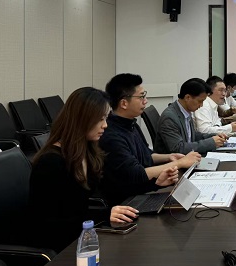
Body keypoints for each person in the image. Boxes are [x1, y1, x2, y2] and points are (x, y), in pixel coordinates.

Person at [28, 87, 147, 252]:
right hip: (61, 248)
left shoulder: (88, 151)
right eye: (100, 119)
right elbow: (50, 224)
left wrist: (155, 183)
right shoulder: (51, 163)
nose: (105, 125)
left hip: (82, 238)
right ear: (82, 119)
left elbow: (112, 186)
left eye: (106, 118)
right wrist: (103, 216)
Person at [100, 73, 201, 205]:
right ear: (124, 103)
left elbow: (146, 154)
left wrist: (169, 157)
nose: (145, 101)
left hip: (143, 189)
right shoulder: (111, 135)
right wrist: (180, 163)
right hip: (125, 203)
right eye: (141, 97)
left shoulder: (131, 124)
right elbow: (136, 173)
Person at [154, 79, 228, 154]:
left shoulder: (186, 111)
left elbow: (191, 136)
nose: (201, 105)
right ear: (187, 98)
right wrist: (211, 142)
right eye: (200, 101)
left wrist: (213, 136)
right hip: (175, 160)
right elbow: (178, 148)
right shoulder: (169, 118)